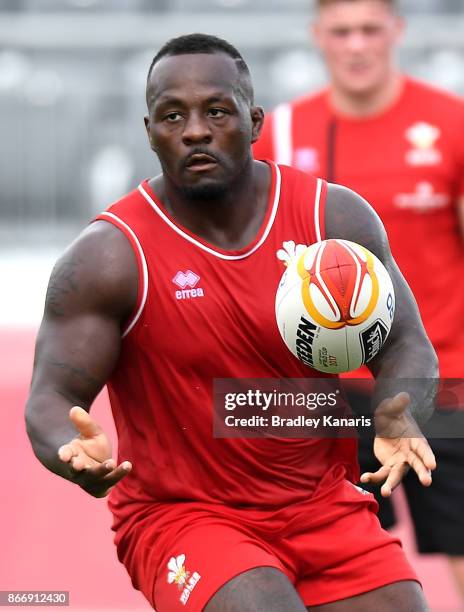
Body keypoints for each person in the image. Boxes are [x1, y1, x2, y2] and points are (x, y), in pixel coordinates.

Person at [26, 33, 438, 612]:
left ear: (255, 120)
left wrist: (399, 412)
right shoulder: (110, 256)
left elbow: (405, 344)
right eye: (173, 115)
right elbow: (51, 395)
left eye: (216, 111)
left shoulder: (334, 219)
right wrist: (70, 448)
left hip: (322, 504)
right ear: (149, 132)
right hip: (184, 517)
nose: (195, 130)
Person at [253, 0, 464, 599]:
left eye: (370, 29)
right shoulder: (283, 133)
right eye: (341, 31)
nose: (356, 45)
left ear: (396, 31)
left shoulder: (452, 124)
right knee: (339, 576)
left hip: (443, 381)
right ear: (318, 36)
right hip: (324, 396)